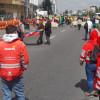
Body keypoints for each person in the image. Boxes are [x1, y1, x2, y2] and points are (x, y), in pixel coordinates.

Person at [0, 25, 29, 100]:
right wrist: (24, 68)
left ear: (6, 32)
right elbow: (25, 60)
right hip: (17, 73)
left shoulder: (0, 44)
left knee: (6, 94)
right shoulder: (20, 44)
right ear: (16, 32)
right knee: (20, 94)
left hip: (4, 74)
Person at [80, 27, 100, 96]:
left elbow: (83, 54)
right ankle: (97, 91)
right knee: (97, 77)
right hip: (97, 63)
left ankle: (90, 91)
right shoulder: (98, 43)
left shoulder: (87, 44)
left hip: (89, 63)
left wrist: (81, 62)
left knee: (90, 78)